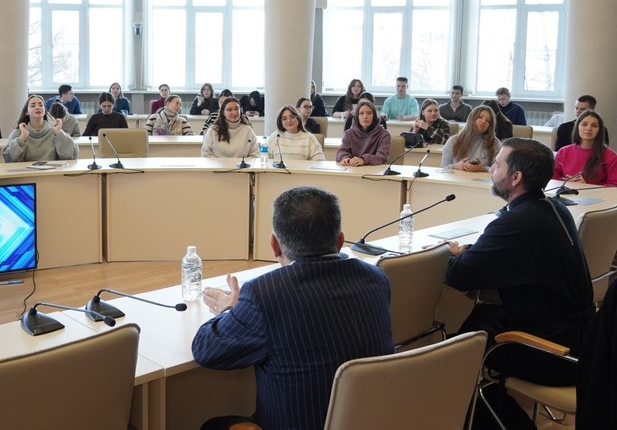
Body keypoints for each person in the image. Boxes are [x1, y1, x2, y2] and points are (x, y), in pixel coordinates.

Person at [192, 186, 392, 430]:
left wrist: (229, 308)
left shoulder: (264, 294)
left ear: (274, 245)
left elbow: (206, 351)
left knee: (212, 425)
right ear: (340, 241)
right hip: (370, 421)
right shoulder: (376, 278)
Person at [446, 138, 593, 386]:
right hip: (578, 340)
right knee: (480, 317)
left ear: (515, 178)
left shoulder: (516, 222)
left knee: (451, 348)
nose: (491, 170)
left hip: (551, 353)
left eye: (497, 165)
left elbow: (458, 275)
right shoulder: (554, 207)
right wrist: (474, 252)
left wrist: (448, 252)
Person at [554, 110, 617, 186]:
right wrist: (566, 182)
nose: (588, 128)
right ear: (577, 127)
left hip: (596, 193)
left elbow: (616, 186)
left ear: (599, 130)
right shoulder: (563, 152)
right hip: (566, 192)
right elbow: (553, 179)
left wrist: (587, 186)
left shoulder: (610, 156)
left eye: (594, 126)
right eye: (584, 124)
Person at [1, 95, 79, 162]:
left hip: (52, 173)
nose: (38, 107)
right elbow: (8, 159)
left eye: (41, 105)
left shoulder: (55, 131)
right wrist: (22, 138)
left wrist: (59, 133)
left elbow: (72, 155)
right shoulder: (19, 132)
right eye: (33, 106)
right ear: (26, 112)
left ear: (45, 110)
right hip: (26, 173)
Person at [441, 105, 499, 171]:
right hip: (457, 177)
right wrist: (454, 166)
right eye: (480, 117)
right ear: (472, 119)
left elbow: (498, 170)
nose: (483, 121)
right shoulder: (453, 141)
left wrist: (482, 168)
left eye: (488, 120)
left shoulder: (495, 143)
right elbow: (443, 168)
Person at [336, 100, 390, 166]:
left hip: (374, 170)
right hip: (352, 169)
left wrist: (364, 160)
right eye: (361, 113)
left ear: (374, 116)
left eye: (369, 113)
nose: (365, 117)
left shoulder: (384, 135)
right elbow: (341, 151)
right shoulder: (348, 134)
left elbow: (382, 157)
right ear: (357, 116)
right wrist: (345, 158)